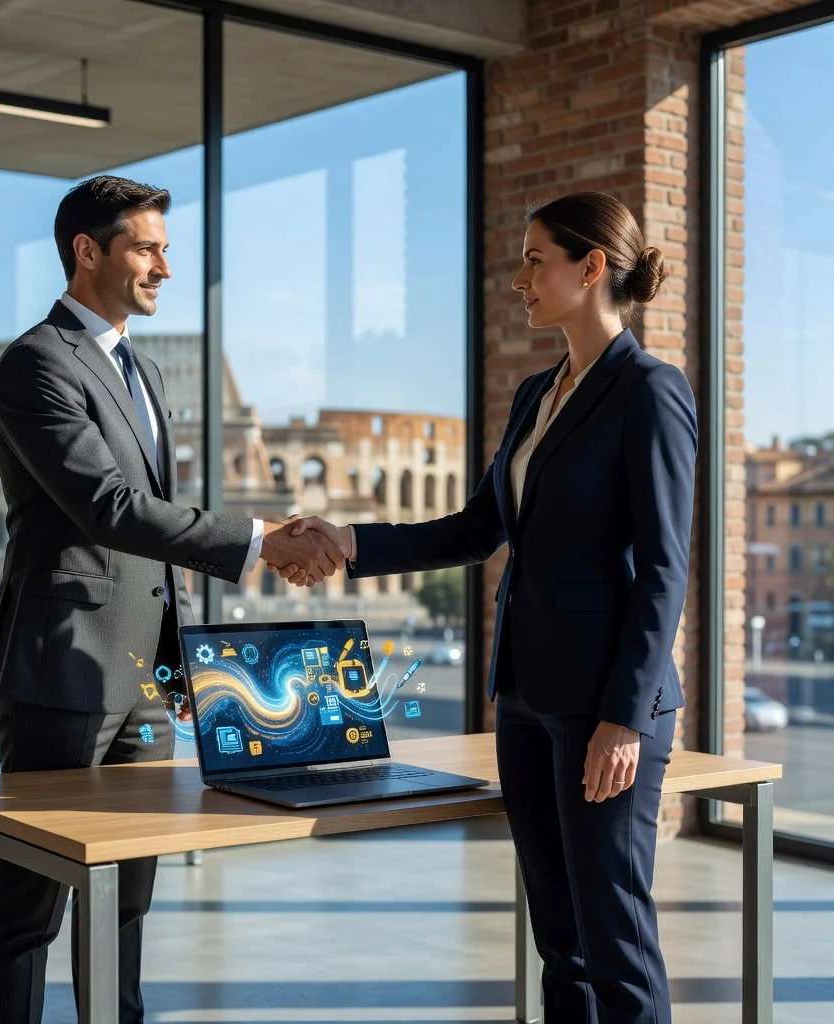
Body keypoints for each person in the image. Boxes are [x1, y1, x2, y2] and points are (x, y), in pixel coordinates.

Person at [276, 192, 697, 1023]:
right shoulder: (538, 392)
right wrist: (350, 541)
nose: (519, 279)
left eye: (536, 260)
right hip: (527, 696)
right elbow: (477, 529)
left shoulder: (650, 389)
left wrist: (624, 718)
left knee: (614, 936)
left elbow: (665, 569)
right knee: (560, 941)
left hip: (605, 706)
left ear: (591, 267)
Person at [0, 175, 343, 1024]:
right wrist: (259, 539)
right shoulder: (36, 363)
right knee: (33, 898)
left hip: (145, 672)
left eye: (165, 250)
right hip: (63, 667)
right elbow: (107, 508)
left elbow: (147, 525)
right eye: (146, 248)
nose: (164, 268)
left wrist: (181, 654)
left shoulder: (140, 369)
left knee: (128, 896)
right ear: (87, 252)